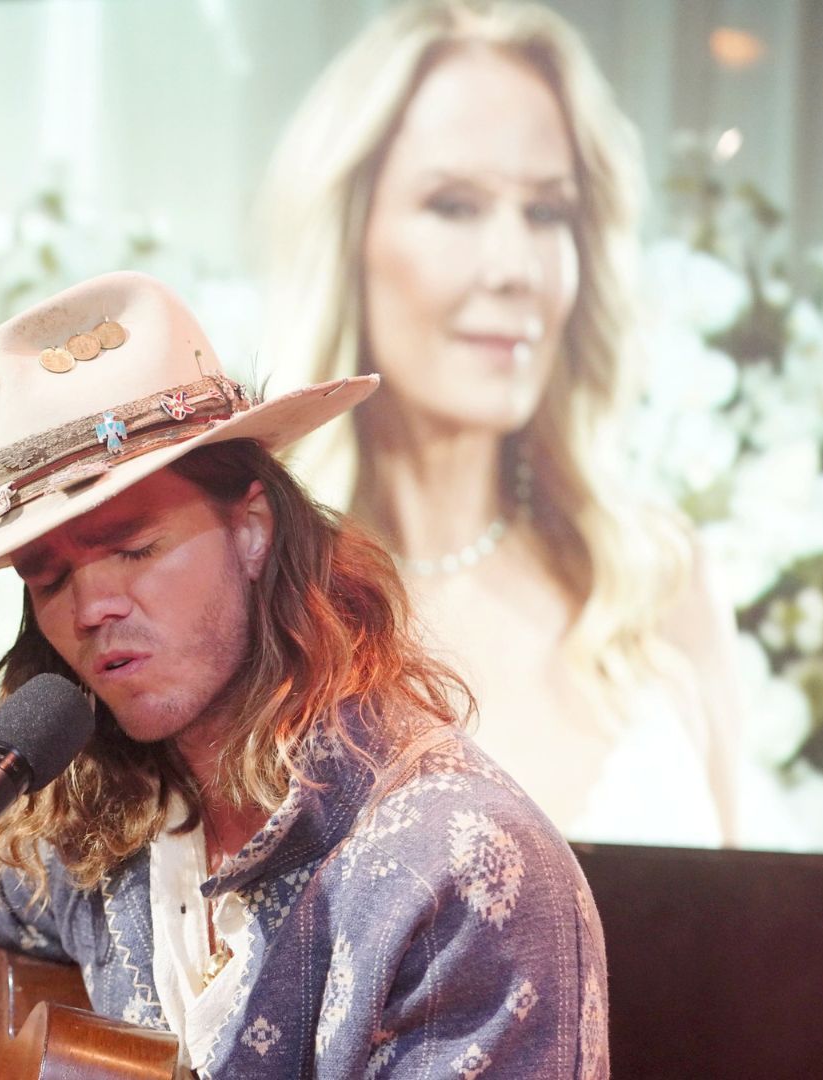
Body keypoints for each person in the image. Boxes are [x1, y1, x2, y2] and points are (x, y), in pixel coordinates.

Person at [0, 271, 607, 1079]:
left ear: (253, 530)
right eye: (48, 579)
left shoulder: (451, 872)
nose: (91, 608)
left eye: (134, 547)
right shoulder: (106, 824)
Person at [256, 0, 740, 847]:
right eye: (454, 205)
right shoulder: (259, 598)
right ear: (349, 235)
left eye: (547, 213)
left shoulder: (657, 583)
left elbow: (759, 949)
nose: (516, 268)